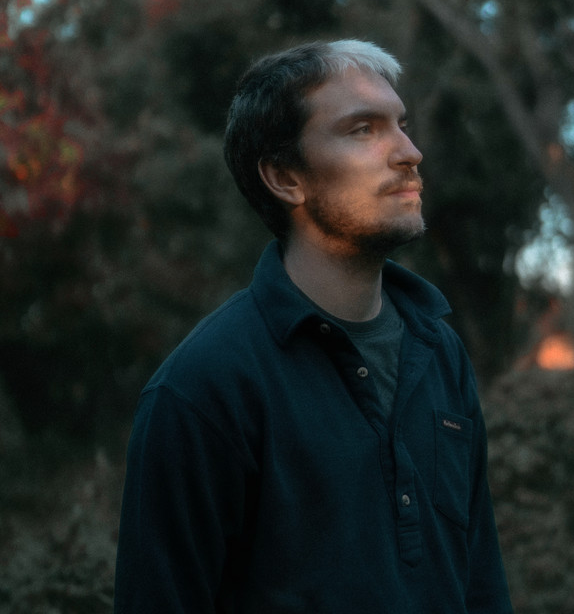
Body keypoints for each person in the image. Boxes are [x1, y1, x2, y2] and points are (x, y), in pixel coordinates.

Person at [114, 39, 513, 613]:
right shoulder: (202, 387)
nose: (410, 152)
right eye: (364, 130)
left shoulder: (439, 348)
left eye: (401, 126)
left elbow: (482, 582)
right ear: (285, 177)